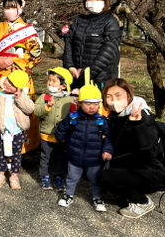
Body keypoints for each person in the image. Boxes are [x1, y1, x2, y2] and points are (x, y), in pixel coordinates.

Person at [98, 78, 165, 218]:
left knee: (105, 177)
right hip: (132, 165)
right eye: (109, 97)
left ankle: (143, 202)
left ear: (128, 96)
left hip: (152, 170)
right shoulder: (116, 116)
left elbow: (149, 150)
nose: (114, 101)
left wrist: (137, 125)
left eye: (118, 96)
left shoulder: (142, 116)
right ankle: (125, 191)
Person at [0, 0, 42, 153]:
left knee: (19, 110)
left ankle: (20, 150)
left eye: (13, 7)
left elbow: (36, 55)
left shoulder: (28, 31)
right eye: (7, 7)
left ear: (21, 9)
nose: (9, 11)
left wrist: (14, 61)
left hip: (19, 77)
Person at [55, 83, 113, 212]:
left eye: (96, 104)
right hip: (75, 156)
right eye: (88, 103)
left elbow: (108, 137)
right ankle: (69, 195)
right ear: (80, 103)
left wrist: (107, 150)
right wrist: (62, 139)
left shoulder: (101, 120)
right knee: (71, 177)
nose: (92, 107)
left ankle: (97, 197)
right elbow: (61, 129)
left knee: (95, 179)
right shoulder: (73, 118)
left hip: (94, 159)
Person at [63, 0, 122, 89]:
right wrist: (70, 66)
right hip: (75, 76)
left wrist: (88, 72)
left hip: (100, 79)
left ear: (105, 0)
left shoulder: (110, 21)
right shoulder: (79, 20)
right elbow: (68, 43)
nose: (94, 1)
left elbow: (108, 52)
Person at [0, 70, 35, 190]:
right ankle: (1, 174)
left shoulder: (21, 96)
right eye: (8, 81)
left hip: (18, 132)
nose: (8, 85)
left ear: (18, 88)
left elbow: (30, 109)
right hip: (3, 132)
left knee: (16, 155)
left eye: (13, 85)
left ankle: (14, 175)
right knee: (1, 154)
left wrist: (19, 98)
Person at [34, 67, 74, 190]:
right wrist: (47, 106)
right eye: (49, 80)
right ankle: (44, 177)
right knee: (45, 157)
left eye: (54, 81)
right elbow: (36, 111)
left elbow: (72, 117)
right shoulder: (44, 97)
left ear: (63, 85)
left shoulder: (69, 100)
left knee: (60, 158)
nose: (50, 83)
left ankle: (59, 177)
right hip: (46, 134)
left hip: (62, 137)